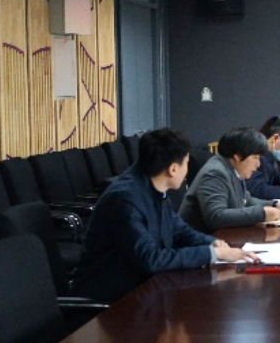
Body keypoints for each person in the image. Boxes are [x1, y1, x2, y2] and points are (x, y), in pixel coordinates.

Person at [70, 128, 254, 303]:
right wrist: (212, 254)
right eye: (186, 164)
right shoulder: (124, 199)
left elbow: (178, 229)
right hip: (111, 301)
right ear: (173, 169)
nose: (187, 171)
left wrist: (210, 242)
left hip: (142, 289)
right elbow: (151, 259)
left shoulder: (153, 187)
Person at [179, 127, 280, 233]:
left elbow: (247, 200)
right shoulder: (215, 173)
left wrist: (274, 204)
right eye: (255, 157)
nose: (258, 164)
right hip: (198, 239)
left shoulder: (233, 169)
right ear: (238, 156)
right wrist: (262, 214)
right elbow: (216, 216)